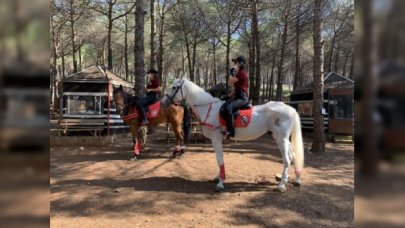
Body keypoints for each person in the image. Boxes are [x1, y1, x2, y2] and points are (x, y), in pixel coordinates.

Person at [220, 56, 249, 138]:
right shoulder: (239, 73)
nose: (234, 64)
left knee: (229, 107)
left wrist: (231, 73)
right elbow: (236, 89)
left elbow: (230, 81)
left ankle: (231, 131)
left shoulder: (242, 73)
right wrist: (227, 96)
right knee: (226, 105)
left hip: (242, 98)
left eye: (236, 62)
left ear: (240, 64)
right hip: (238, 96)